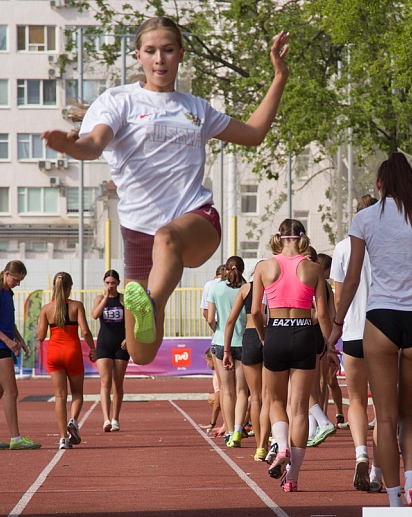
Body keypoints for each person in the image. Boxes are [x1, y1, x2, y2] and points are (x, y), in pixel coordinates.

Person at [43, 17, 290, 365]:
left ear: (181, 54)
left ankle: (152, 302)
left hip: (195, 221)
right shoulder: (119, 102)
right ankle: (149, 309)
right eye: (151, 51)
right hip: (137, 231)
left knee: (167, 237)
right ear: (138, 56)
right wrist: (71, 147)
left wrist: (279, 77)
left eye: (168, 50)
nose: (159, 59)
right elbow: (94, 143)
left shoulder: (195, 109)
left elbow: (253, 133)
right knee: (141, 352)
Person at [329, 153, 412, 513]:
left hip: (381, 320)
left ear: (379, 183)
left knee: (385, 417)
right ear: (410, 183)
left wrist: (338, 324)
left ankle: (393, 502)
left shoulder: (364, 218)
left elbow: (352, 278)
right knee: (408, 411)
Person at [252, 219, 328, 492]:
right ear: (303, 238)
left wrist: (264, 336)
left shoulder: (264, 267)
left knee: (274, 400)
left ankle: (281, 445)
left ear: (279, 237)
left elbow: (256, 312)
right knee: (299, 409)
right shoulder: (314, 268)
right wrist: (329, 344)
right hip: (304, 332)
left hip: (276, 332)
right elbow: (322, 313)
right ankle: (292, 478)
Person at [332, 193, 384, 491]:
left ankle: (360, 453)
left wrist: (336, 328)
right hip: (382, 332)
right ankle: (377, 471)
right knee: (384, 407)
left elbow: (339, 296)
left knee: (356, 401)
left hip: (353, 331)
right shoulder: (387, 245)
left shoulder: (342, 248)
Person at [0, 261, 40, 451]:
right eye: (16, 279)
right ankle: (16, 438)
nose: (17, 283)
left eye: (20, 280)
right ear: (7, 274)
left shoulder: (7, 293)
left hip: (2, 346)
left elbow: (8, 321)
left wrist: (19, 339)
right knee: (11, 392)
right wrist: (7, 341)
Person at [37, 272, 96, 450]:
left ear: (54, 288)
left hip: (54, 353)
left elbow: (40, 336)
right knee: (77, 393)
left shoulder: (46, 309)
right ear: (70, 287)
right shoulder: (77, 306)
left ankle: (63, 438)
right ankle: (73, 420)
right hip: (72, 352)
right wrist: (93, 349)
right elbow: (85, 332)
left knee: (59, 397)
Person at [222, 266, 270, 461]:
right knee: (270, 397)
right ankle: (271, 440)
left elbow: (230, 321)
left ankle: (260, 447)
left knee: (256, 397)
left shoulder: (245, 289)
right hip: (270, 335)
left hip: (250, 338)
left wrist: (226, 350)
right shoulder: (275, 287)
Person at [210, 256, 249, 447]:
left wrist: (217, 330)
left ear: (225, 270)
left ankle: (230, 431)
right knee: (242, 391)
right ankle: (238, 431)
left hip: (220, 341)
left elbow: (210, 318)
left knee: (226, 390)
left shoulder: (216, 289)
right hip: (243, 341)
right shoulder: (248, 288)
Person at [92, 269, 130, 432]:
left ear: (118, 283)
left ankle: (115, 418)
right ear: (104, 283)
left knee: (118, 383)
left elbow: (132, 320)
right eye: (107, 283)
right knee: (105, 382)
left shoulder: (123, 299)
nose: (110, 286)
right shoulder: (100, 298)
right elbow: (95, 315)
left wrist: (129, 338)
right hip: (104, 344)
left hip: (121, 345)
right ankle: (106, 419)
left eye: (113, 283)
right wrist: (106, 297)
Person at [307, 251, 337, 446]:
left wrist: (309, 320)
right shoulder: (325, 285)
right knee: (317, 384)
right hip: (321, 336)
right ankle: (314, 428)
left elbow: (321, 312)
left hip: (307, 333)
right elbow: (332, 313)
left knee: (304, 386)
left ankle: (317, 425)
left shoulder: (304, 279)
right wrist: (330, 340)